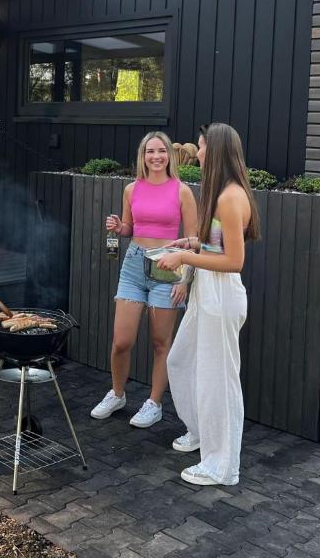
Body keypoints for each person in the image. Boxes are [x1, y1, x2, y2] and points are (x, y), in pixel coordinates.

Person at [157, 123, 259, 486]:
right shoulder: (220, 193)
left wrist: (185, 256)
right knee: (181, 360)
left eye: (200, 147)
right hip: (207, 294)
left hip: (221, 296)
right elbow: (215, 246)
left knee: (219, 381)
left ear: (214, 150)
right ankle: (200, 431)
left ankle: (221, 465)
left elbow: (235, 261)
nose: (196, 153)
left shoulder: (231, 198)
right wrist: (190, 242)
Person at [91, 131, 198, 428]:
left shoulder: (182, 191)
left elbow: (193, 240)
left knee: (160, 342)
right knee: (121, 341)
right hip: (135, 265)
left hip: (168, 267)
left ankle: (154, 403)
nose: (156, 157)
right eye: (150, 152)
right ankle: (117, 393)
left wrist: (184, 280)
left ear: (169, 155)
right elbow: (129, 229)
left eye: (161, 151)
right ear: (143, 156)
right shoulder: (131, 189)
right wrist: (119, 226)